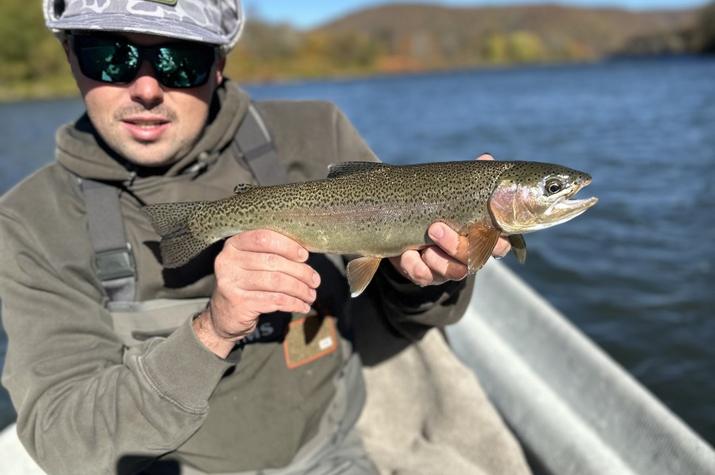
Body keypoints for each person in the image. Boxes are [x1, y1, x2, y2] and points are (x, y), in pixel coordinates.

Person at [0, 1, 513, 474]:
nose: (148, 87)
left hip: (334, 445)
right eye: (109, 56)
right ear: (70, 56)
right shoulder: (31, 222)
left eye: (181, 59)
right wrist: (213, 331)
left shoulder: (316, 133)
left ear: (219, 63)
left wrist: (424, 278)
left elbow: (412, 313)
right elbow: (62, 443)